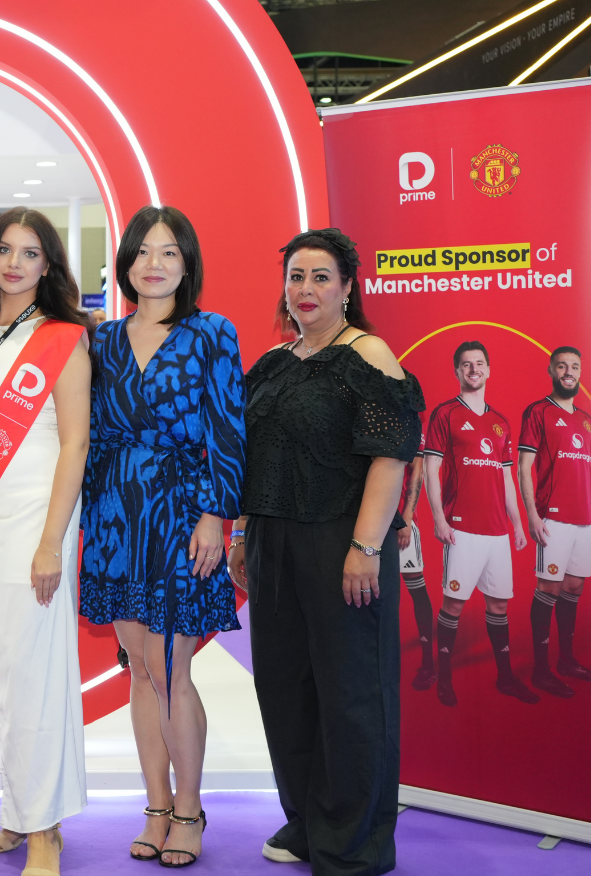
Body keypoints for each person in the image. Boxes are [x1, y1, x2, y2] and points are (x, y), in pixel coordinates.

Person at [229, 228, 423, 875]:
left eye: (320, 276)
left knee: (351, 691)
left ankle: (353, 838)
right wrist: (241, 534)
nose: (305, 289)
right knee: (285, 688)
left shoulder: (368, 354)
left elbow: (390, 456)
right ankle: (308, 820)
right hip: (272, 542)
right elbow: (251, 457)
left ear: (347, 286)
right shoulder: (274, 362)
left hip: (343, 541)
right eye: (296, 276)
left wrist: (365, 545)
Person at [80, 206, 245, 868]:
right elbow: (89, 434)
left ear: (187, 264)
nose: (155, 263)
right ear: (125, 263)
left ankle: (190, 808)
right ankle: (155, 804)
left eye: (169, 252)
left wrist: (216, 515)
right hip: (115, 515)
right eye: (144, 251)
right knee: (141, 667)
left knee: (172, 664)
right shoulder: (102, 340)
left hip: (182, 513)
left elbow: (229, 429)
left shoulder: (212, 333)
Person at [0, 207, 91, 876]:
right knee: (4, 675)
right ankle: (20, 809)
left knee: (35, 676)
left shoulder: (63, 337)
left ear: (48, 264)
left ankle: (45, 829)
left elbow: (76, 443)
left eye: (30, 252)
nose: (15, 263)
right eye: (5, 250)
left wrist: (50, 543)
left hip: (37, 519)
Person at [421, 342, 535, 706]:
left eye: (479, 363)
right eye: (466, 364)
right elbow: (431, 468)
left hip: (497, 531)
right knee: (453, 605)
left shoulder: (500, 422)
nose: (474, 369)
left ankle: (505, 678)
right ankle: (444, 678)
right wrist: (439, 519)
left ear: (489, 369)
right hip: (462, 528)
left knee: (499, 606)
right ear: (457, 371)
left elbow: (507, 478)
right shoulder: (445, 414)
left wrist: (517, 524)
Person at [518, 346, 591, 698]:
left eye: (574, 366)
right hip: (552, 518)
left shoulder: (586, 420)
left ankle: (567, 661)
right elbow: (524, 467)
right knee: (549, 589)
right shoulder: (538, 411)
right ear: (551, 370)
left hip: (582, 521)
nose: (568, 371)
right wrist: (532, 515)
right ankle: (541, 670)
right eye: (562, 366)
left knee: (574, 587)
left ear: (580, 372)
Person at [398, 440, 434, 691]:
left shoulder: (412, 422)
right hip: (369, 524)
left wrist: (407, 518)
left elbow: (417, 469)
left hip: (400, 522)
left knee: (416, 589)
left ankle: (428, 663)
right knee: (373, 593)